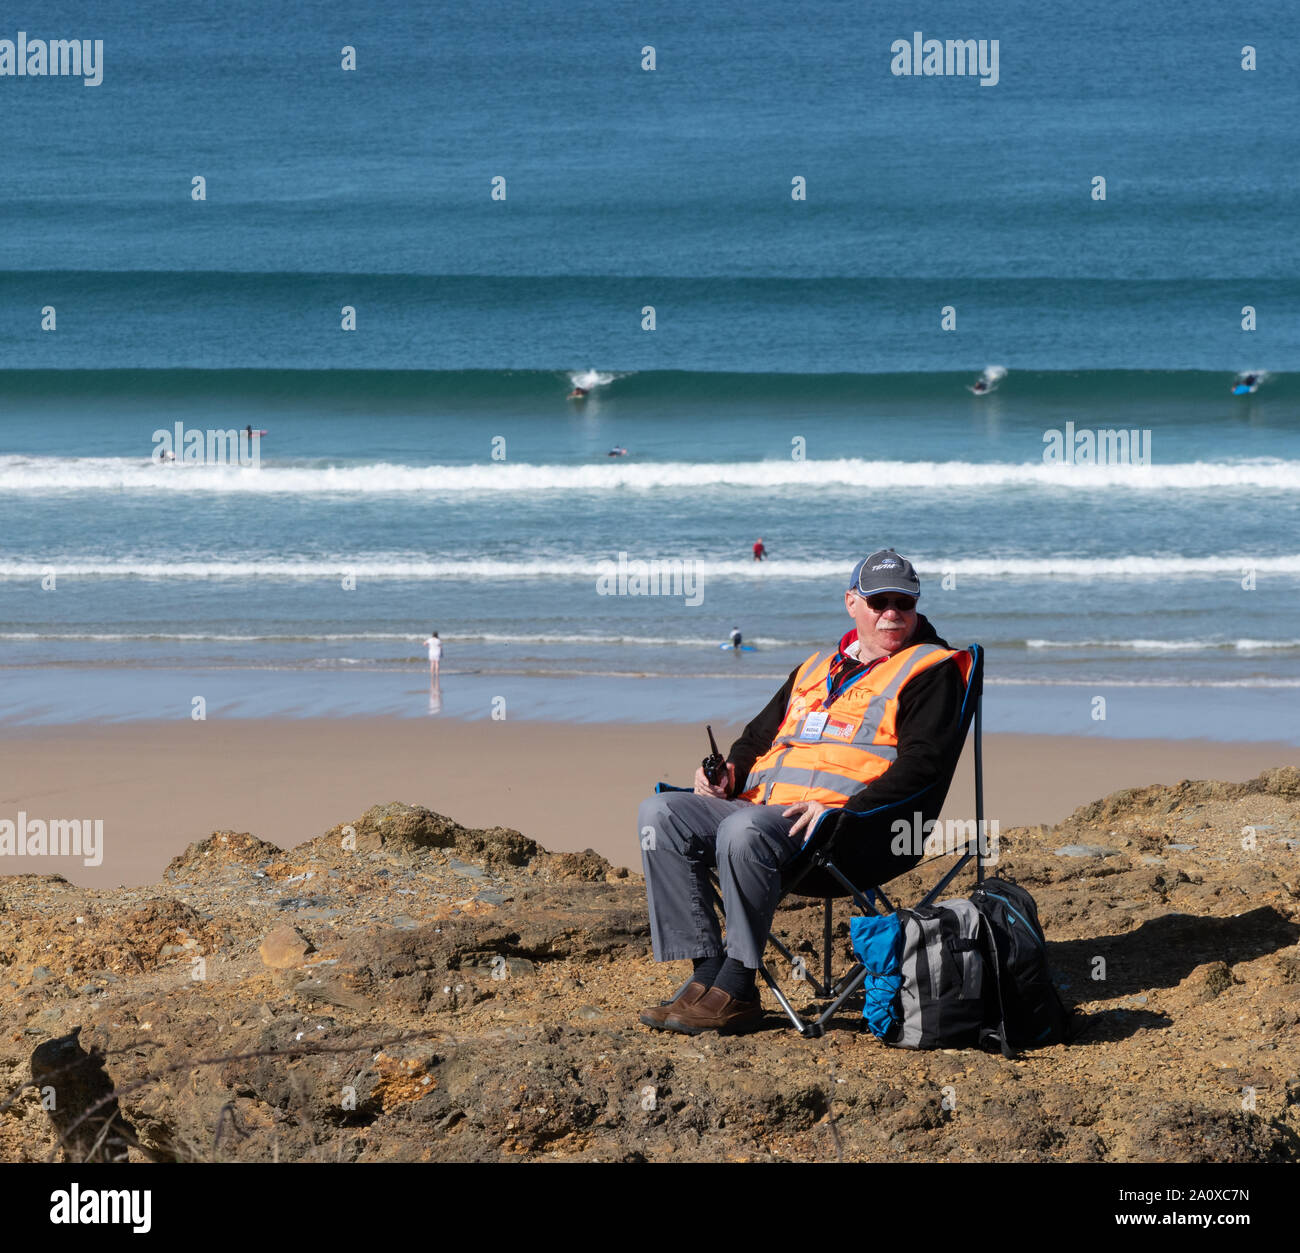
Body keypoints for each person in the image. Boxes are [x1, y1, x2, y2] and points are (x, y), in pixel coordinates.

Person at [636, 549, 970, 1035]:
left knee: (742, 828)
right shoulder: (813, 669)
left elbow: (925, 767)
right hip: (761, 813)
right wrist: (727, 774)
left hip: (851, 833)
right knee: (660, 814)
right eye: (880, 602)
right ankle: (706, 973)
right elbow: (755, 740)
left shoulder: (930, 670)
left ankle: (739, 985)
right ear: (852, 603)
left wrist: (847, 809)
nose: (893, 613)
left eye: (904, 602)